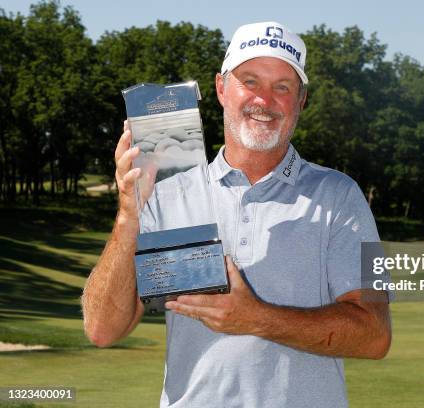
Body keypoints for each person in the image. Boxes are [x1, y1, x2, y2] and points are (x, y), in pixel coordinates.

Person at [82, 21, 391, 408]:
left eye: (283, 86)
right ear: (221, 88)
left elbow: (376, 334)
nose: (264, 99)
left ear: (301, 100)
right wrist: (129, 214)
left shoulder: (343, 195)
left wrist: (256, 317)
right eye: (250, 81)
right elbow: (102, 330)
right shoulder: (168, 191)